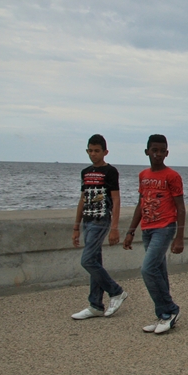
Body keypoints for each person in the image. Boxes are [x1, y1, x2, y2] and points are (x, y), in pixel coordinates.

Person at [123, 134, 185, 334]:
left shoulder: (172, 176)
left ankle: (171, 310)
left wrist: (179, 237)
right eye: (154, 150)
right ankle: (163, 314)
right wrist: (131, 231)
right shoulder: (143, 175)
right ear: (147, 152)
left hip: (165, 227)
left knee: (147, 269)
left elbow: (180, 207)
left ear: (167, 153)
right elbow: (140, 204)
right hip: (147, 228)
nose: (158, 154)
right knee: (158, 270)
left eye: (162, 151)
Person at [71, 134, 128, 320]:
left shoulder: (110, 171)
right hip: (87, 220)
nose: (93, 154)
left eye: (97, 151)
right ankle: (95, 304)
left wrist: (114, 227)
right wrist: (76, 227)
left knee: (87, 260)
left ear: (105, 152)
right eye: (90, 151)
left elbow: (116, 199)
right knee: (94, 260)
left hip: (101, 220)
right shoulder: (85, 172)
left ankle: (116, 291)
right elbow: (82, 199)